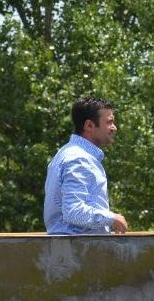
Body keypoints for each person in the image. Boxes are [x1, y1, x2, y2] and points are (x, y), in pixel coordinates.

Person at [43, 97, 128, 235]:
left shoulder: (67, 153)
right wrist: (112, 218)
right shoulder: (79, 159)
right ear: (89, 126)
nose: (114, 127)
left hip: (72, 250)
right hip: (77, 253)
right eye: (109, 122)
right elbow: (74, 212)